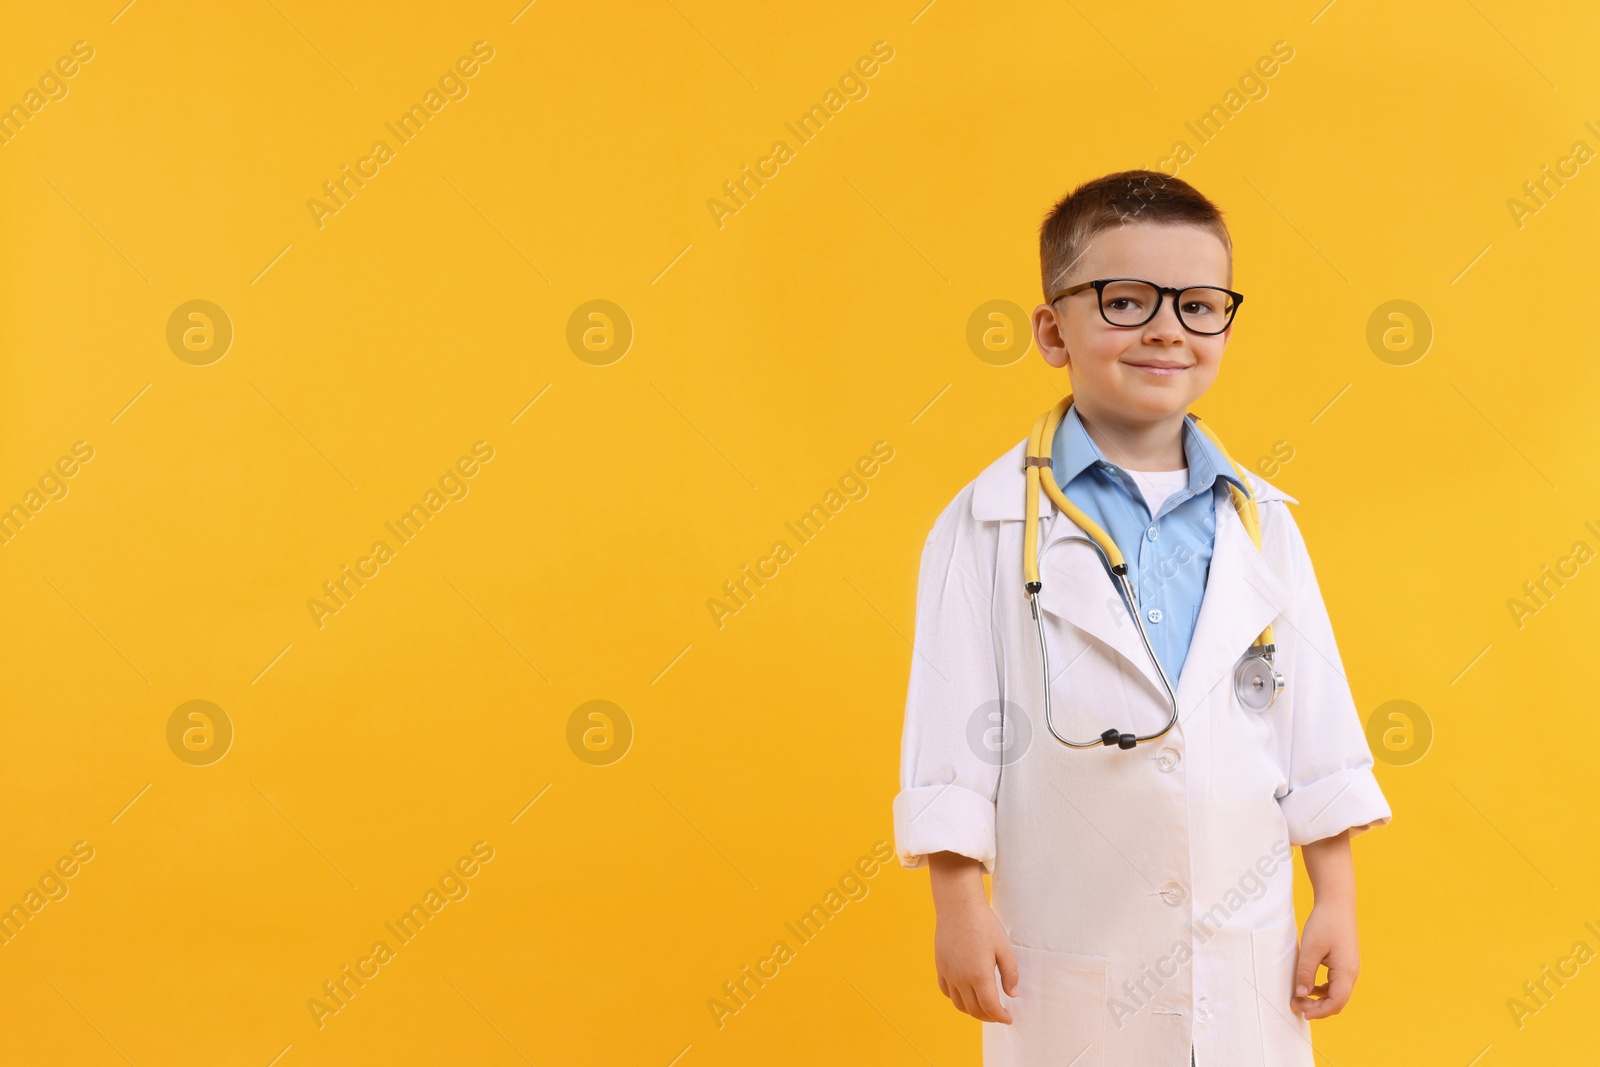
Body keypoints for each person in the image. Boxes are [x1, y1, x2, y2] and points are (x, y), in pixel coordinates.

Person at [892, 170, 1392, 1065]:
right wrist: (958, 905)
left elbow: (1314, 723)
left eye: (1200, 306)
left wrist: (1337, 900)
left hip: (1247, 949)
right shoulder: (986, 522)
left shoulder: (1261, 519)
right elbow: (949, 735)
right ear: (1053, 330)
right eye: (1125, 301)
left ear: (1226, 326)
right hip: (1076, 943)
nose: (1167, 328)